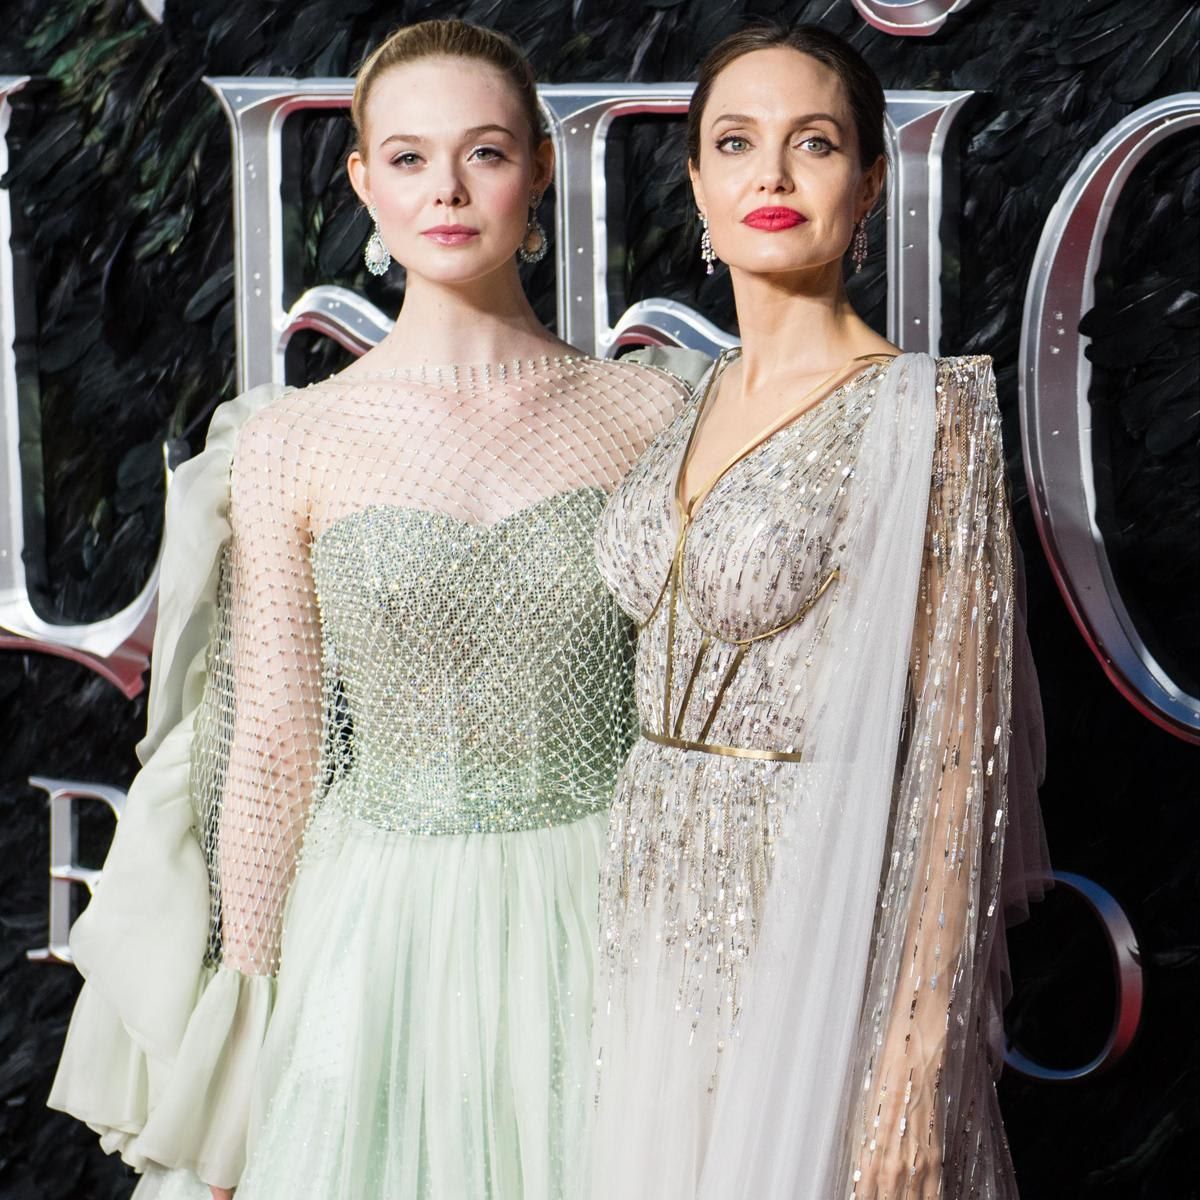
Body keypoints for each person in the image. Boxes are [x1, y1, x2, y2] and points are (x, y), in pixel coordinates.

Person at [48, 19, 702, 1200]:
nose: (445, 189)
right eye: (406, 158)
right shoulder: (294, 441)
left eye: (485, 153)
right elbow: (275, 750)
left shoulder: (651, 419)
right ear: (360, 182)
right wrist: (244, 1026)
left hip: (611, 910)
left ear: (542, 167)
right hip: (381, 926)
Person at [590, 23, 1051, 1200]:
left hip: (817, 919)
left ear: (871, 180)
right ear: (696, 182)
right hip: (649, 922)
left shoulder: (929, 414)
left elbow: (963, 763)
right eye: (737, 143)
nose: (775, 176)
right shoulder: (676, 403)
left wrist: (916, 1061)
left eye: (816, 143)